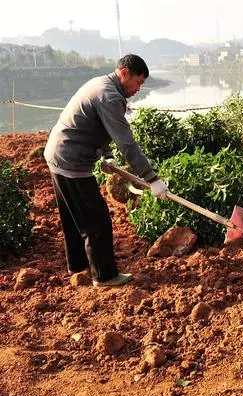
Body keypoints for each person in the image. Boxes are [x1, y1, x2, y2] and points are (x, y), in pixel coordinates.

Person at [44, 54, 168, 287]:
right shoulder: (110, 96)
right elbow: (127, 143)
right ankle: (104, 276)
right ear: (124, 74)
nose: (138, 88)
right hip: (72, 160)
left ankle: (79, 266)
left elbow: (97, 125)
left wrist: (107, 155)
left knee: (73, 216)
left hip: (58, 153)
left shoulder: (100, 84)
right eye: (138, 82)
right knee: (96, 221)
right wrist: (152, 179)